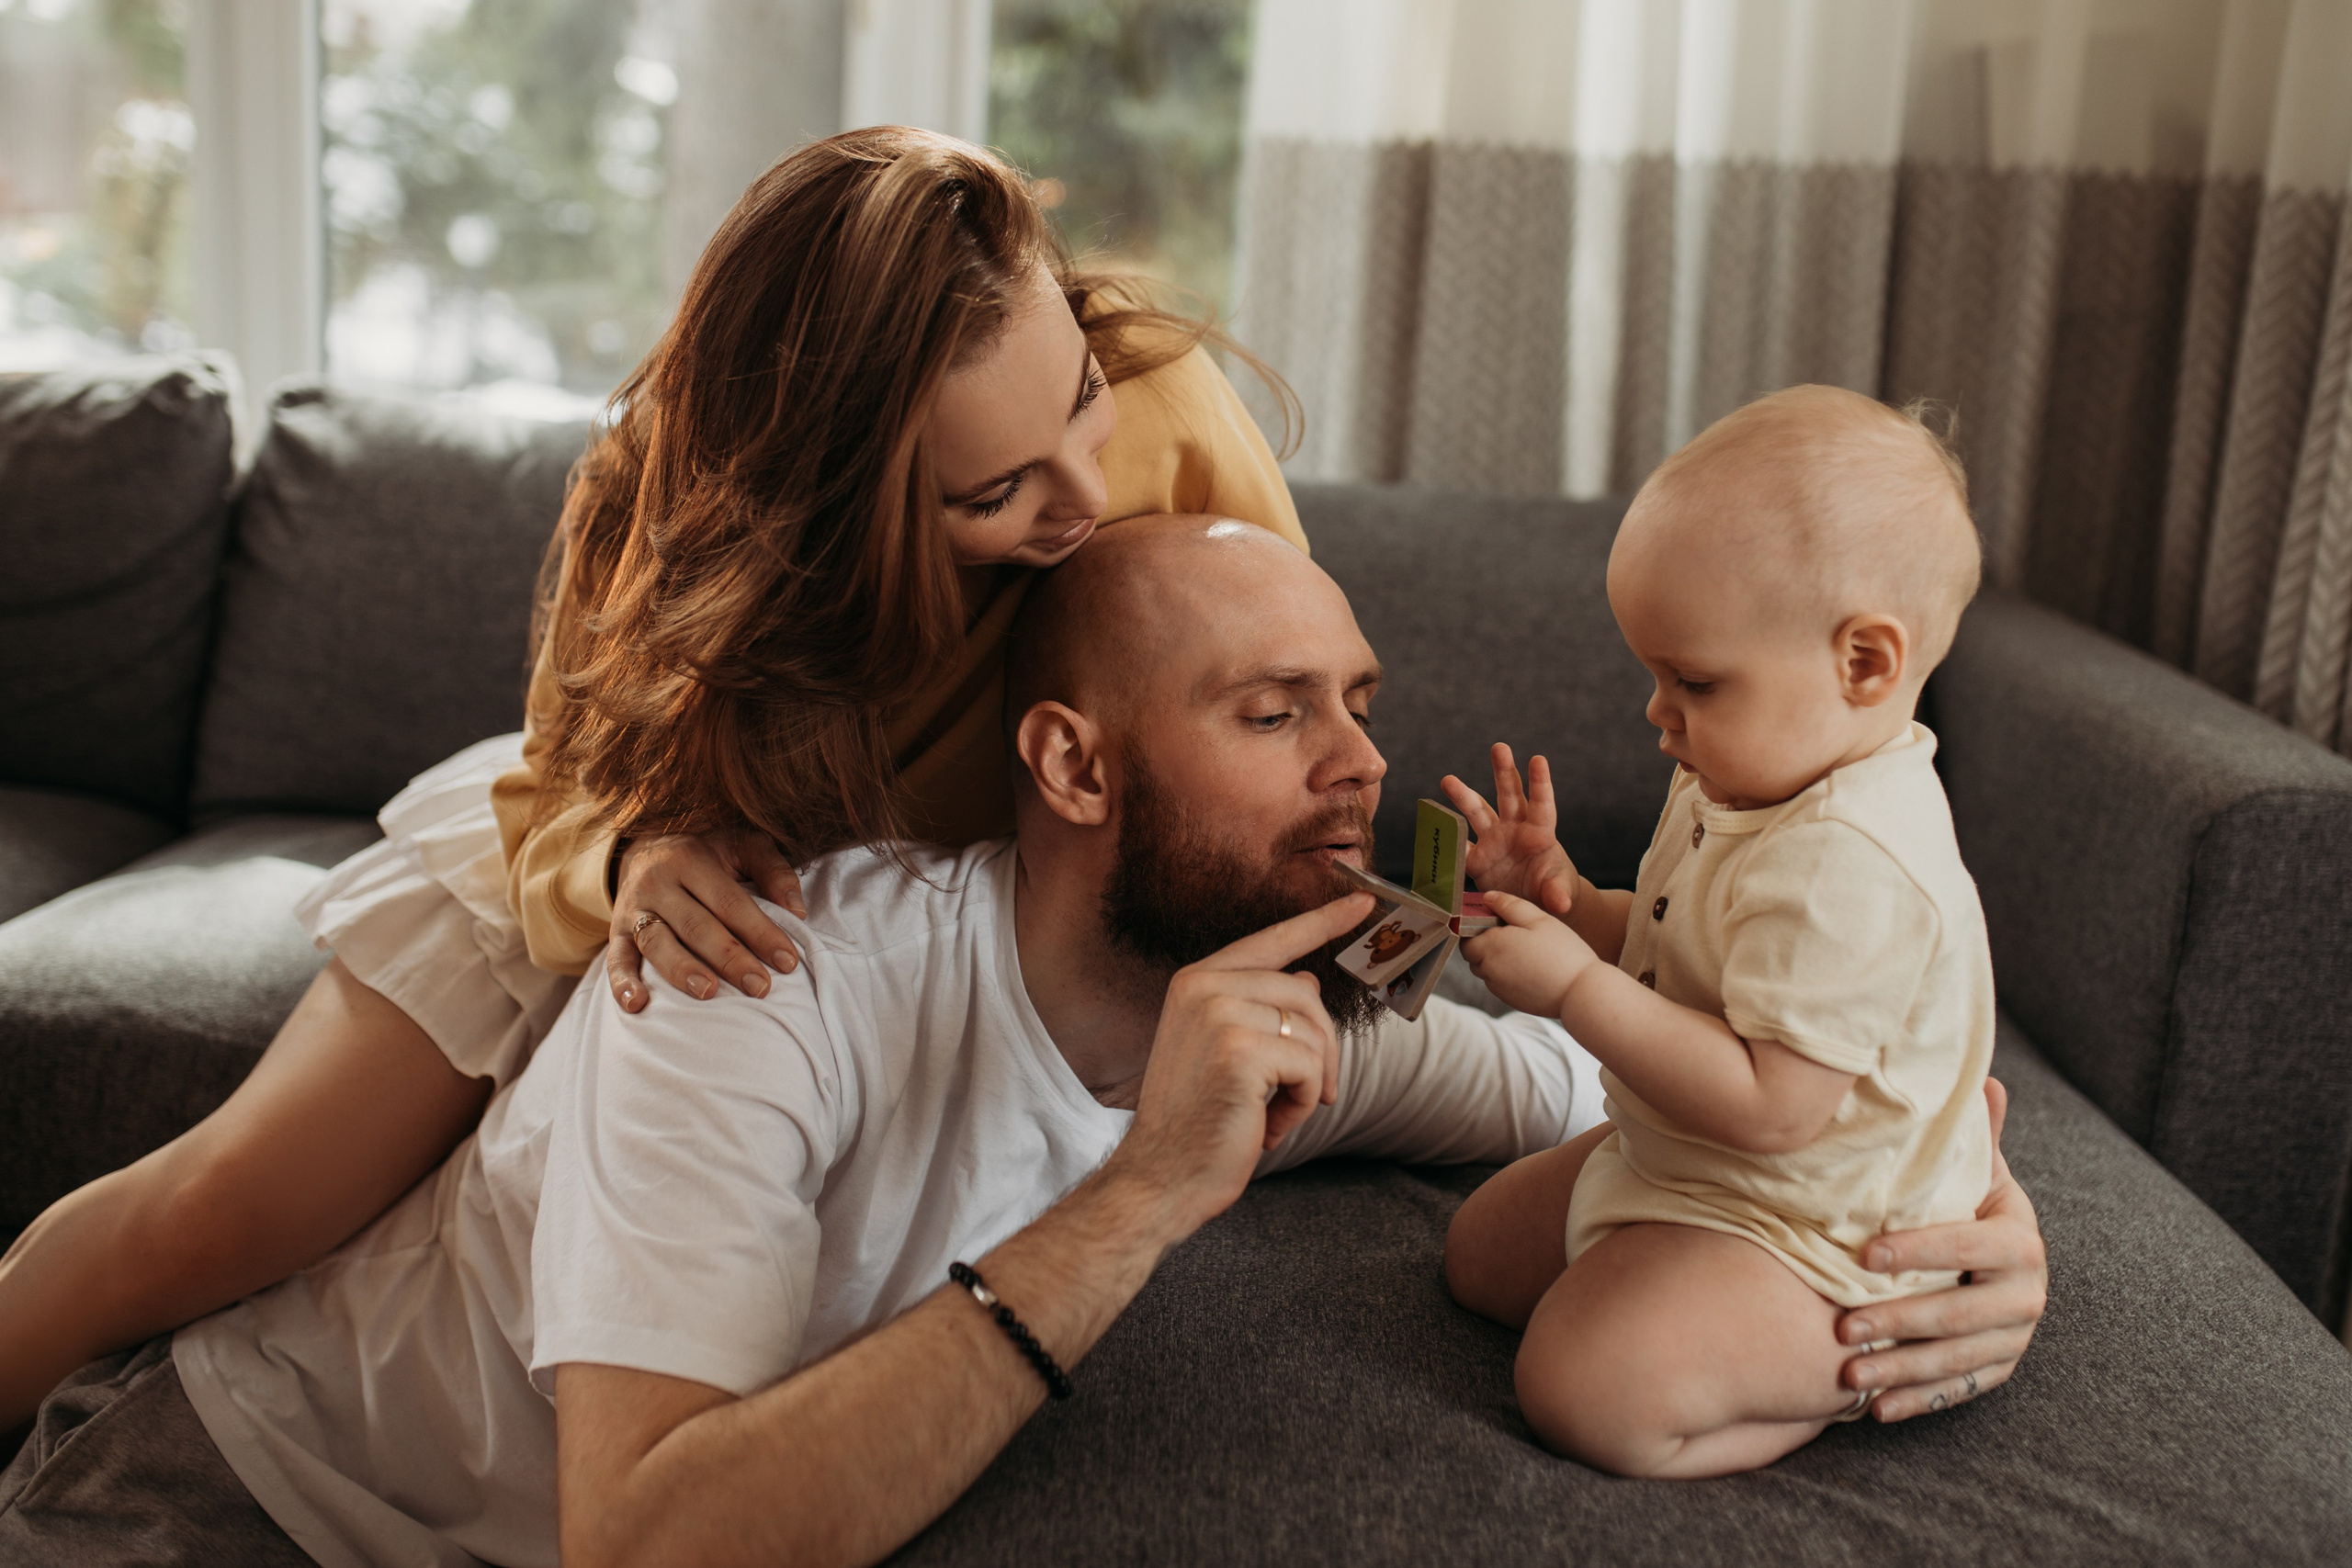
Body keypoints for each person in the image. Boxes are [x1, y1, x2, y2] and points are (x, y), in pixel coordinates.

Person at [0, 517, 2049, 1566]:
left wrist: (1974, 1212)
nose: (1359, 766)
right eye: (1273, 715)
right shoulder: (752, 975)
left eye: (1354, 695)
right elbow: (646, 1542)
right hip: (245, 1508)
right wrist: (1144, 1192)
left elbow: (1686, 1097)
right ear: (1067, 762)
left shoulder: (1303, 1011)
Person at [0, 126, 1304, 1433]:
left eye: (1079, 397)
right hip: (606, 875)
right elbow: (570, 781)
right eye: (996, 492)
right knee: (207, 1212)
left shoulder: (1163, 398)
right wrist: (632, 859)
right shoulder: (674, 495)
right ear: (829, 505)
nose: (1084, 495)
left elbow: (1294, 709)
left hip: (883, 960)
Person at [1442, 386, 2007, 1478]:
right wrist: (1564, 897)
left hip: (1816, 1224)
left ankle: (1837, 1376)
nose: (1658, 715)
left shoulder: (1853, 861)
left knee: (1581, 1389)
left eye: (1693, 681)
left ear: (1864, 665)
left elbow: (1771, 1106)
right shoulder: (1743, 775)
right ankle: (1695, 1306)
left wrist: (1569, 991)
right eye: (1654, 676)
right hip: (1681, 1159)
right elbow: (1671, 954)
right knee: (1474, 1257)